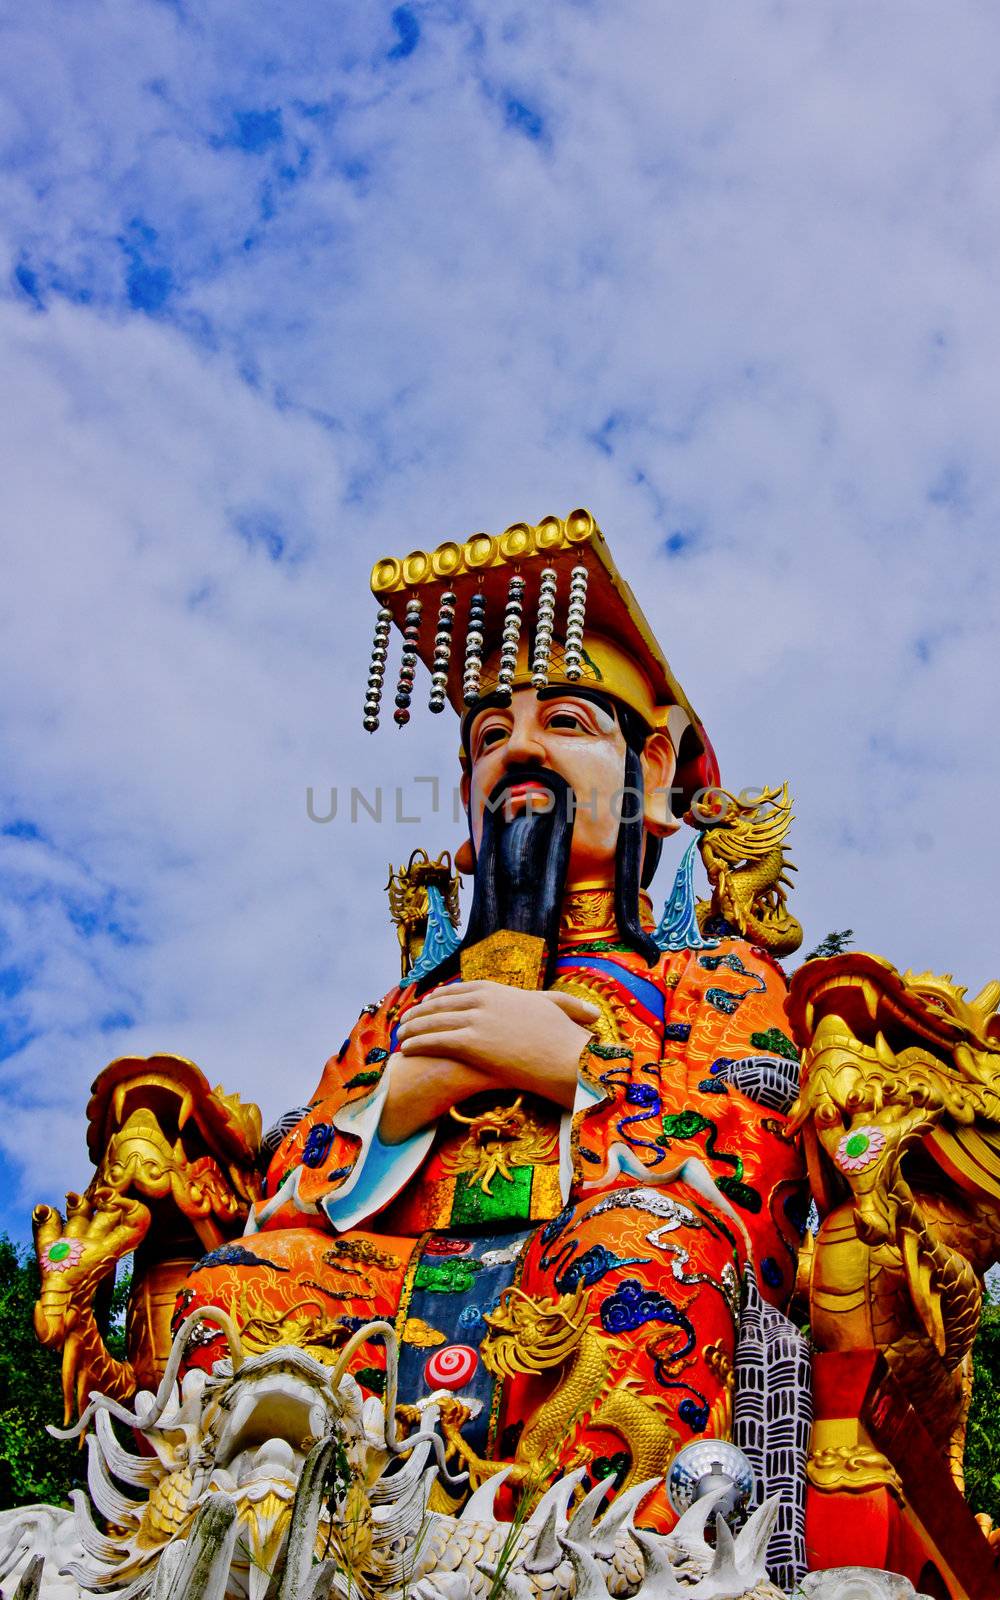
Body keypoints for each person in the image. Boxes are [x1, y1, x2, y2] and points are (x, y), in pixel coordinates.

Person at [174, 516, 808, 1526]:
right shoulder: (401, 1011)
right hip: (387, 1282)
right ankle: (259, 1536)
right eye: (487, 737)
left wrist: (578, 1071)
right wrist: (396, 1113)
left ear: (649, 769)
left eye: (563, 720)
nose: (518, 751)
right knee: (243, 1282)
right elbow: (285, 1193)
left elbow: (754, 1181)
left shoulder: (714, 974)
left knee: (657, 1247)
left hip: (579, 1273)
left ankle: (600, 1552)